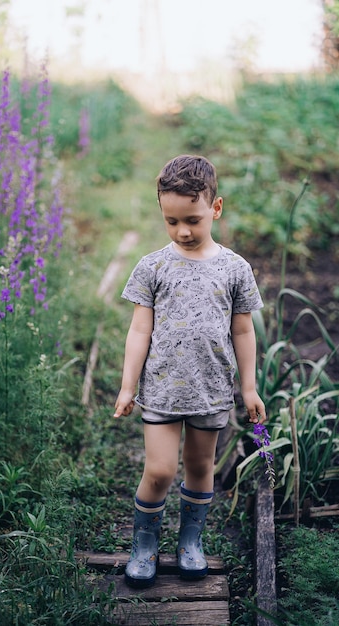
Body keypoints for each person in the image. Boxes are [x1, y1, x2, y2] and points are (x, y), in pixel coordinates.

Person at [113, 154, 266, 589]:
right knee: (160, 471)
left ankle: (190, 541)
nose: (183, 231)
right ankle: (144, 545)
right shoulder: (154, 265)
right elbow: (140, 328)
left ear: (215, 209)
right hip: (161, 390)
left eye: (193, 220)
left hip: (211, 391)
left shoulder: (235, 269)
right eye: (172, 221)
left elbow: (243, 330)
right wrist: (128, 386)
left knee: (200, 468)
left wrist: (249, 388)